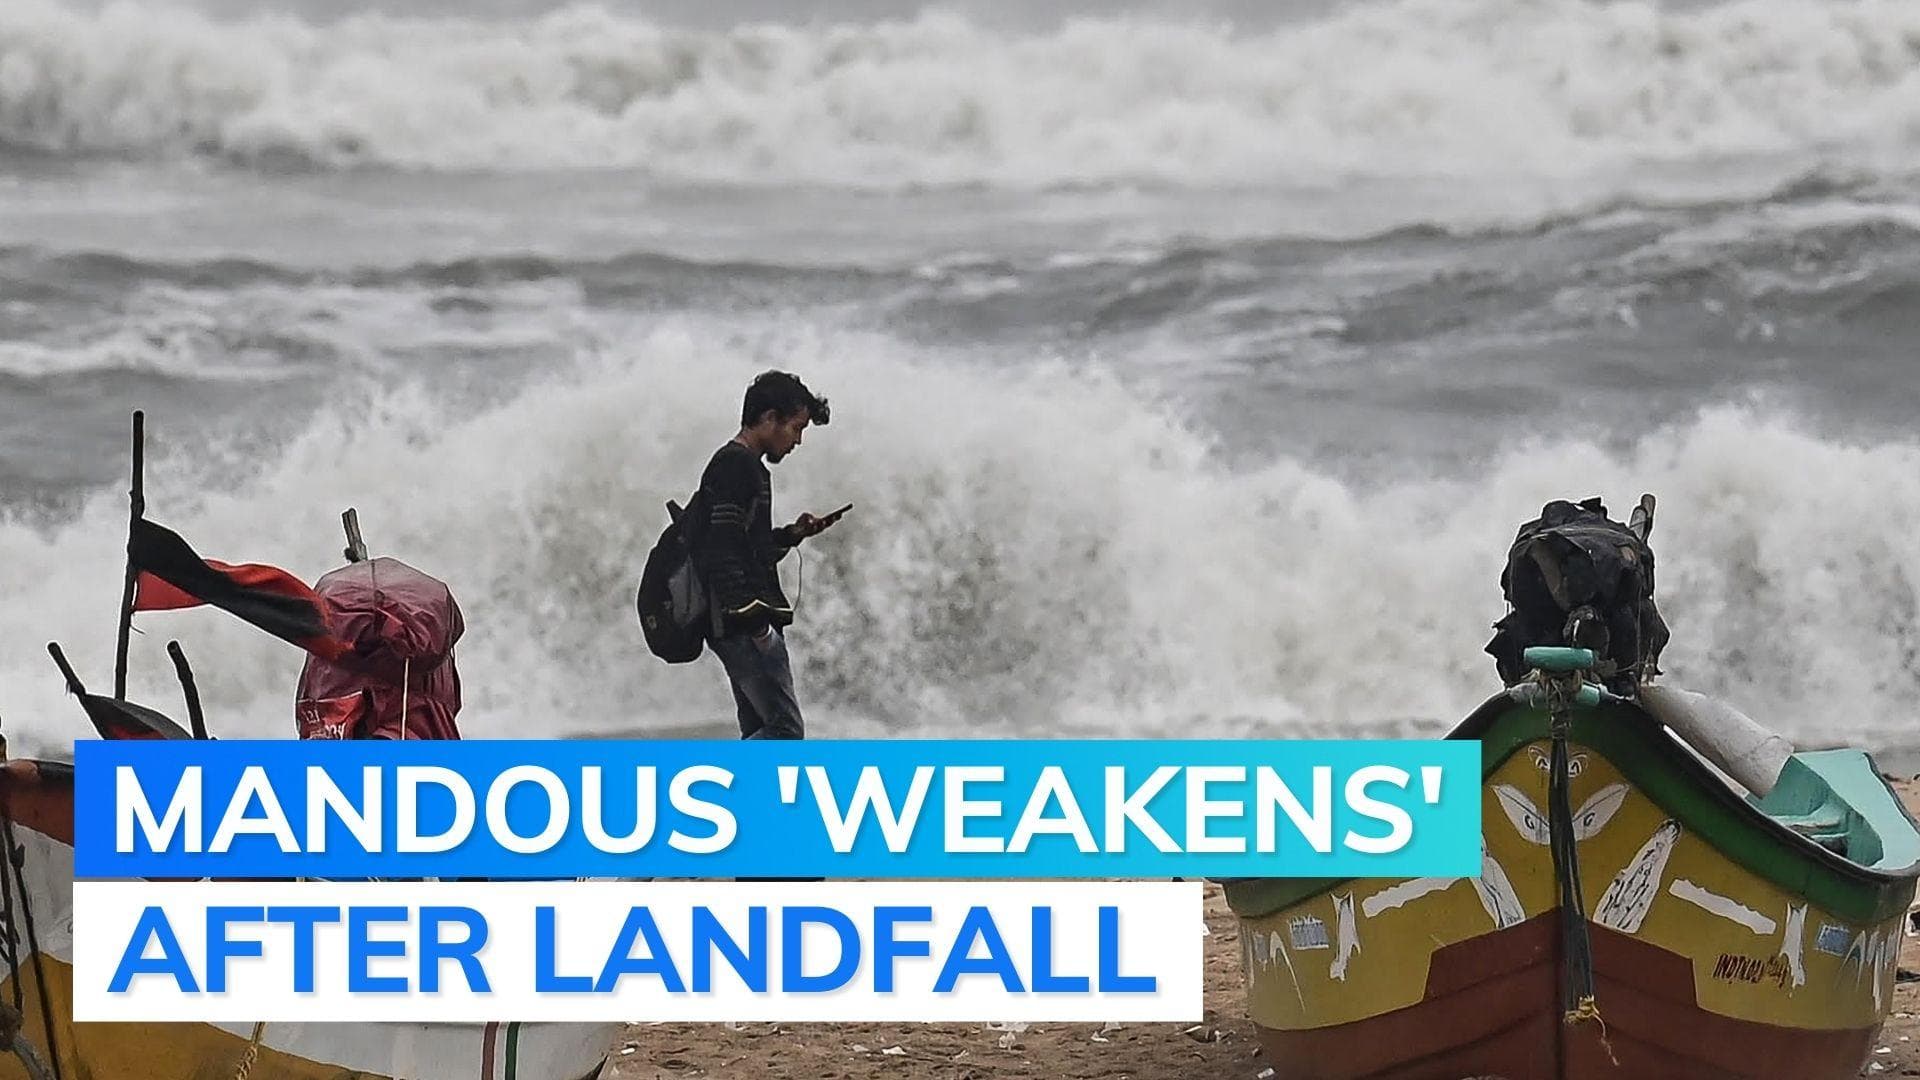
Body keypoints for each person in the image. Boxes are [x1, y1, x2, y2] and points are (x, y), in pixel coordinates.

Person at [693, 370, 842, 740]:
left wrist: (793, 534)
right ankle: (701, 772)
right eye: (796, 428)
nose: (798, 441)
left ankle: (739, 781)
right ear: (770, 418)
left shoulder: (743, 465)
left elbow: (748, 551)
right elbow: (722, 550)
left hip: (735, 625)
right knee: (785, 732)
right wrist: (756, 624)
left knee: (760, 730)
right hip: (743, 626)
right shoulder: (736, 465)